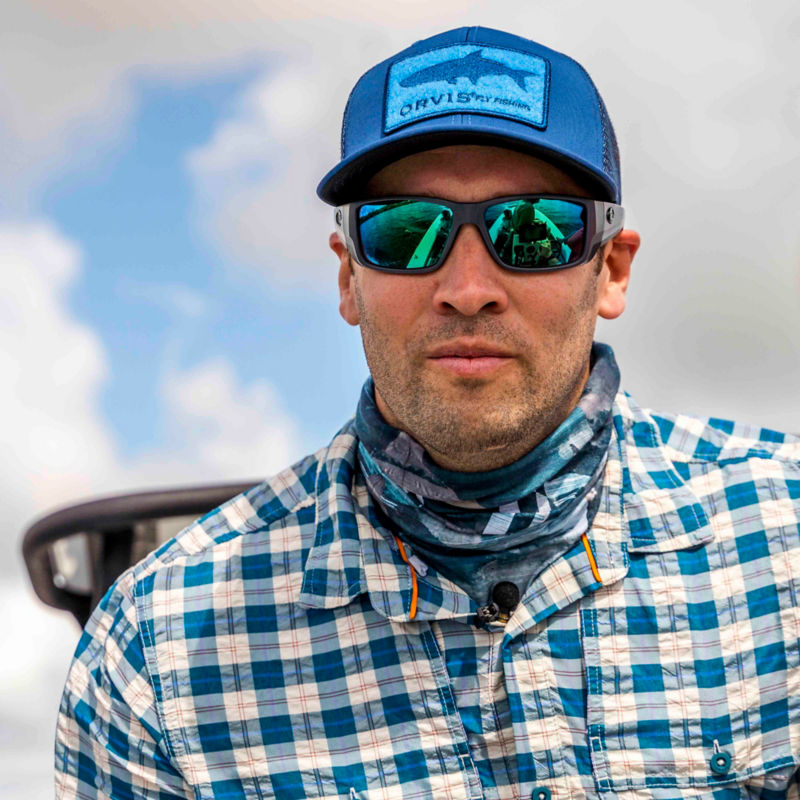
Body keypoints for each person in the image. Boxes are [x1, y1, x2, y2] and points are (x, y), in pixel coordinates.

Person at [55, 26, 800, 800]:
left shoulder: (787, 542)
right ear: (348, 279)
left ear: (609, 269)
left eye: (533, 230)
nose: (468, 286)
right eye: (406, 233)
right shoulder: (155, 655)